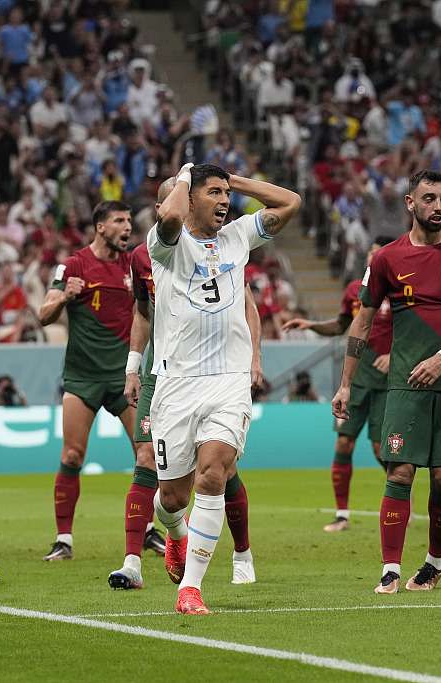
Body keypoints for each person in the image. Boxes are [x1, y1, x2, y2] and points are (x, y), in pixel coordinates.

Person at [149, 162, 301, 614]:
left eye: (225, 194)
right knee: (173, 498)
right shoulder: (165, 245)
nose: (223, 201)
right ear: (190, 195)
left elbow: (291, 202)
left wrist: (234, 180)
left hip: (228, 382)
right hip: (177, 384)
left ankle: (190, 589)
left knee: (213, 474)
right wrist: (183, 177)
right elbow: (172, 217)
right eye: (212, 193)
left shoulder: (238, 235)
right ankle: (175, 533)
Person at [332, 170, 441, 595]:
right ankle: (389, 569)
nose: (438, 206)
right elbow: (361, 322)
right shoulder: (385, 259)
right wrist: (346, 383)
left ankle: (434, 564)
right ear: (409, 203)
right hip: (403, 383)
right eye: (429, 198)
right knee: (399, 471)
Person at [120, 178, 262, 589]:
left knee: (219, 468)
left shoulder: (224, 249)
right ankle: (165, 539)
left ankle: (238, 555)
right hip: (164, 374)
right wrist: (133, 366)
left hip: (219, 375)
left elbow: (246, 305)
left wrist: (254, 356)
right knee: (157, 473)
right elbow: (143, 313)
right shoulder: (148, 253)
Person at [38, 201, 165, 568]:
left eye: (129, 220)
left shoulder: (136, 264)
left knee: (145, 455)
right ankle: (63, 539)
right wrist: (65, 295)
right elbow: (43, 315)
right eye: (119, 221)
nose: (128, 227)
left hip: (126, 376)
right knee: (72, 455)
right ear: (100, 227)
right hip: (82, 377)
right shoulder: (73, 265)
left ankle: (147, 530)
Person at [284, 236, 393, 532]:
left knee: (380, 448)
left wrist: (394, 355)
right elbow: (341, 325)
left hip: (388, 381)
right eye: (372, 253)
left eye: (380, 253)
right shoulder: (354, 290)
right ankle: (342, 514)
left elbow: (415, 331)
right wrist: (311, 326)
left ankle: (398, 500)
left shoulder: (400, 291)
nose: (374, 258)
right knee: (344, 442)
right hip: (357, 379)